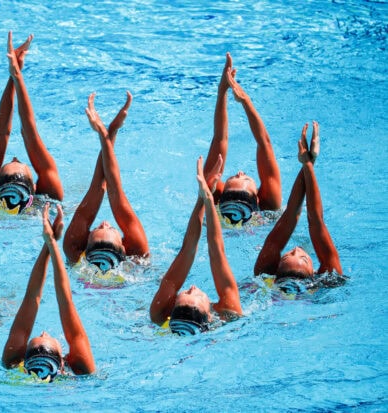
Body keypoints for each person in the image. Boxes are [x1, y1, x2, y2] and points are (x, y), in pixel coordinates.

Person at [150, 155, 242, 335]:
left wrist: (205, 198)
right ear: (211, 317)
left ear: (171, 313)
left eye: (185, 294)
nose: (192, 288)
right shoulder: (230, 313)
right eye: (197, 295)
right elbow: (217, 252)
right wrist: (206, 197)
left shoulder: (159, 313)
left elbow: (188, 250)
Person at [2, 203, 95, 381]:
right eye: (45, 336)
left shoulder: (12, 363)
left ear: (23, 365)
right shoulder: (82, 368)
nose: (44, 332)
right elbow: (64, 301)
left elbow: (32, 297)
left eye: (38, 336)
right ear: (63, 363)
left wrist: (49, 244)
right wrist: (51, 243)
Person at [0, 32, 63, 215]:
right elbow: (29, 134)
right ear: (37, 187)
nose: (14, 157)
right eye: (20, 161)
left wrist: (14, 77)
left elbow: (1, 134)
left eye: (11, 161)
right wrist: (16, 75)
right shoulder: (50, 200)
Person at [63, 92, 149, 273]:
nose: (104, 222)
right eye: (109, 228)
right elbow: (112, 188)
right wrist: (108, 132)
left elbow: (100, 186)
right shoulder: (138, 254)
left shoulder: (73, 251)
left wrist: (107, 133)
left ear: (85, 250)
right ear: (124, 249)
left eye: (99, 228)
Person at [254, 122, 342, 280]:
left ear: (276, 268)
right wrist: (308, 162)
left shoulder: (263, 276)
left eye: (287, 256)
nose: (295, 250)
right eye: (303, 258)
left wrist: (308, 163)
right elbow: (315, 221)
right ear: (314, 274)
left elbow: (292, 215)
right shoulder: (330, 282)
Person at [203, 53, 282, 226]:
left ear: (220, 196)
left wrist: (222, 91)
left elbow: (220, 140)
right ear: (259, 200)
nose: (240, 172)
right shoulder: (270, 204)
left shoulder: (210, 194)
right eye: (245, 179)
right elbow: (264, 143)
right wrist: (245, 101)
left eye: (233, 177)